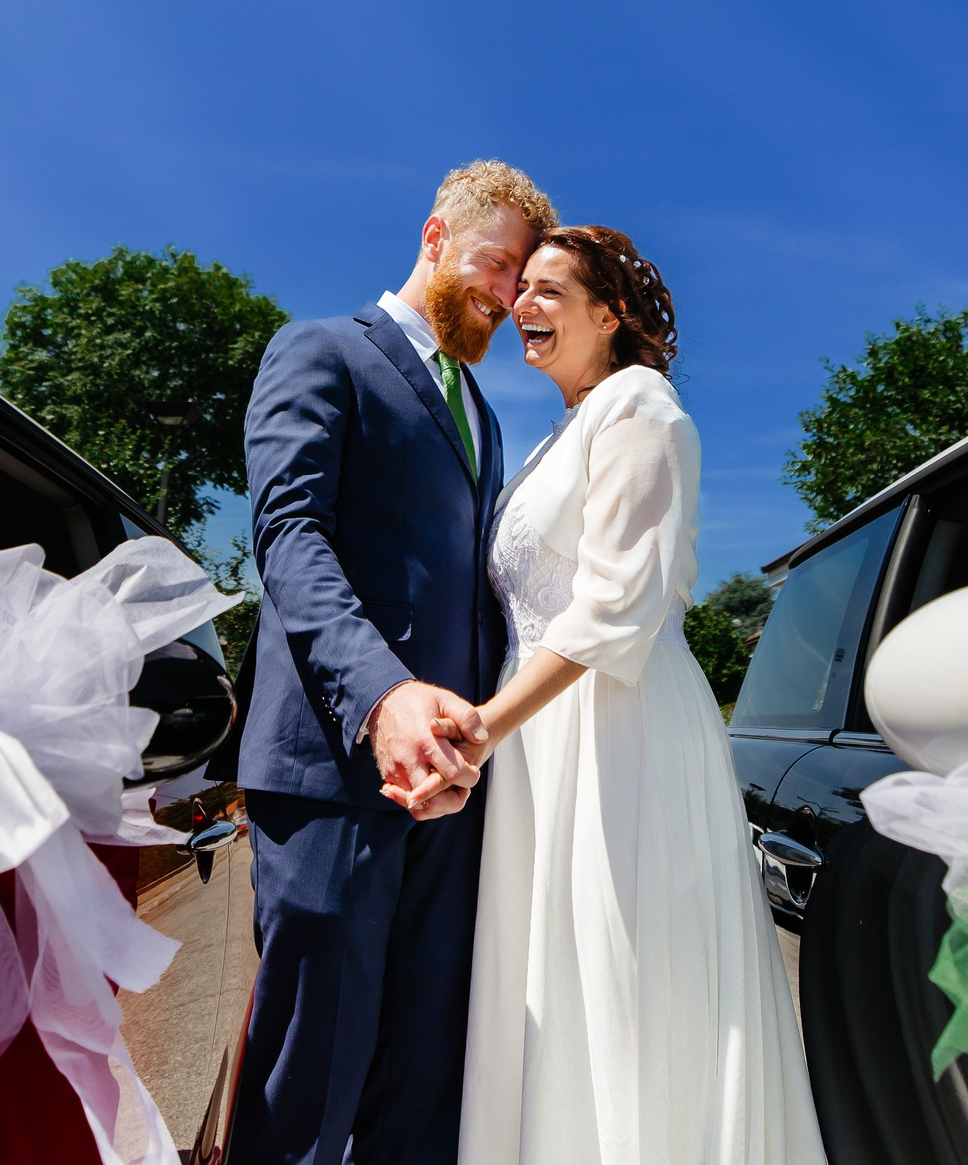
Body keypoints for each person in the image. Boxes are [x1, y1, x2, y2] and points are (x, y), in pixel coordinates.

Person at [394, 226, 824, 1165]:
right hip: (541, 738)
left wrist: (482, 727)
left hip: (617, 727)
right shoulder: (562, 432)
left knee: (626, 979)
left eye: (550, 289)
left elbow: (617, 606)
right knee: (554, 982)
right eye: (522, 288)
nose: (523, 305)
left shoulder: (642, 407)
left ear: (610, 314)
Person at [228, 160, 558, 1165]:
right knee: (310, 1084)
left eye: (521, 281)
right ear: (434, 236)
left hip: (454, 787)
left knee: (422, 1084)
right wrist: (381, 698)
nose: (506, 295)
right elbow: (290, 536)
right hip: (334, 776)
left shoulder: (486, 419)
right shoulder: (322, 349)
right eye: (495, 264)